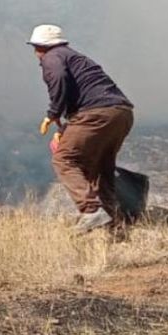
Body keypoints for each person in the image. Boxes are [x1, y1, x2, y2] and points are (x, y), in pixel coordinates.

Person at [28, 24, 134, 234]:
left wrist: (53, 114)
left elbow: (59, 79)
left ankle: (91, 211)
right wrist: (65, 126)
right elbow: (83, 94)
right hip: (121, 113)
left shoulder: (52, 57)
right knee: (101, 170)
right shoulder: (74, 57)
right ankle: (116, 229)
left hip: (97, 113)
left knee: (64, 159)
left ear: (42, 46)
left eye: (36, 48)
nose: (35, 54)